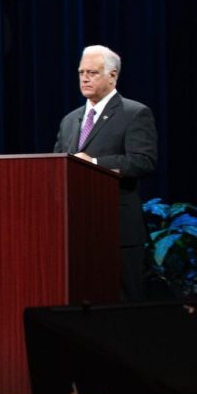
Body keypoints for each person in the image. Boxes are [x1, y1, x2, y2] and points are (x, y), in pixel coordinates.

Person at [53, 45, 157, 301]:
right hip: (77, 228)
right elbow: (57, 167)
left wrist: (95, 162)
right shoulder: (70, 120)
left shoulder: (135, 113)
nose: (85, 78)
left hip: (117, 228)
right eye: (81, 72)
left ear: (113, 76)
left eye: (93, 72)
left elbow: (143, 161)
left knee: (123, 302)